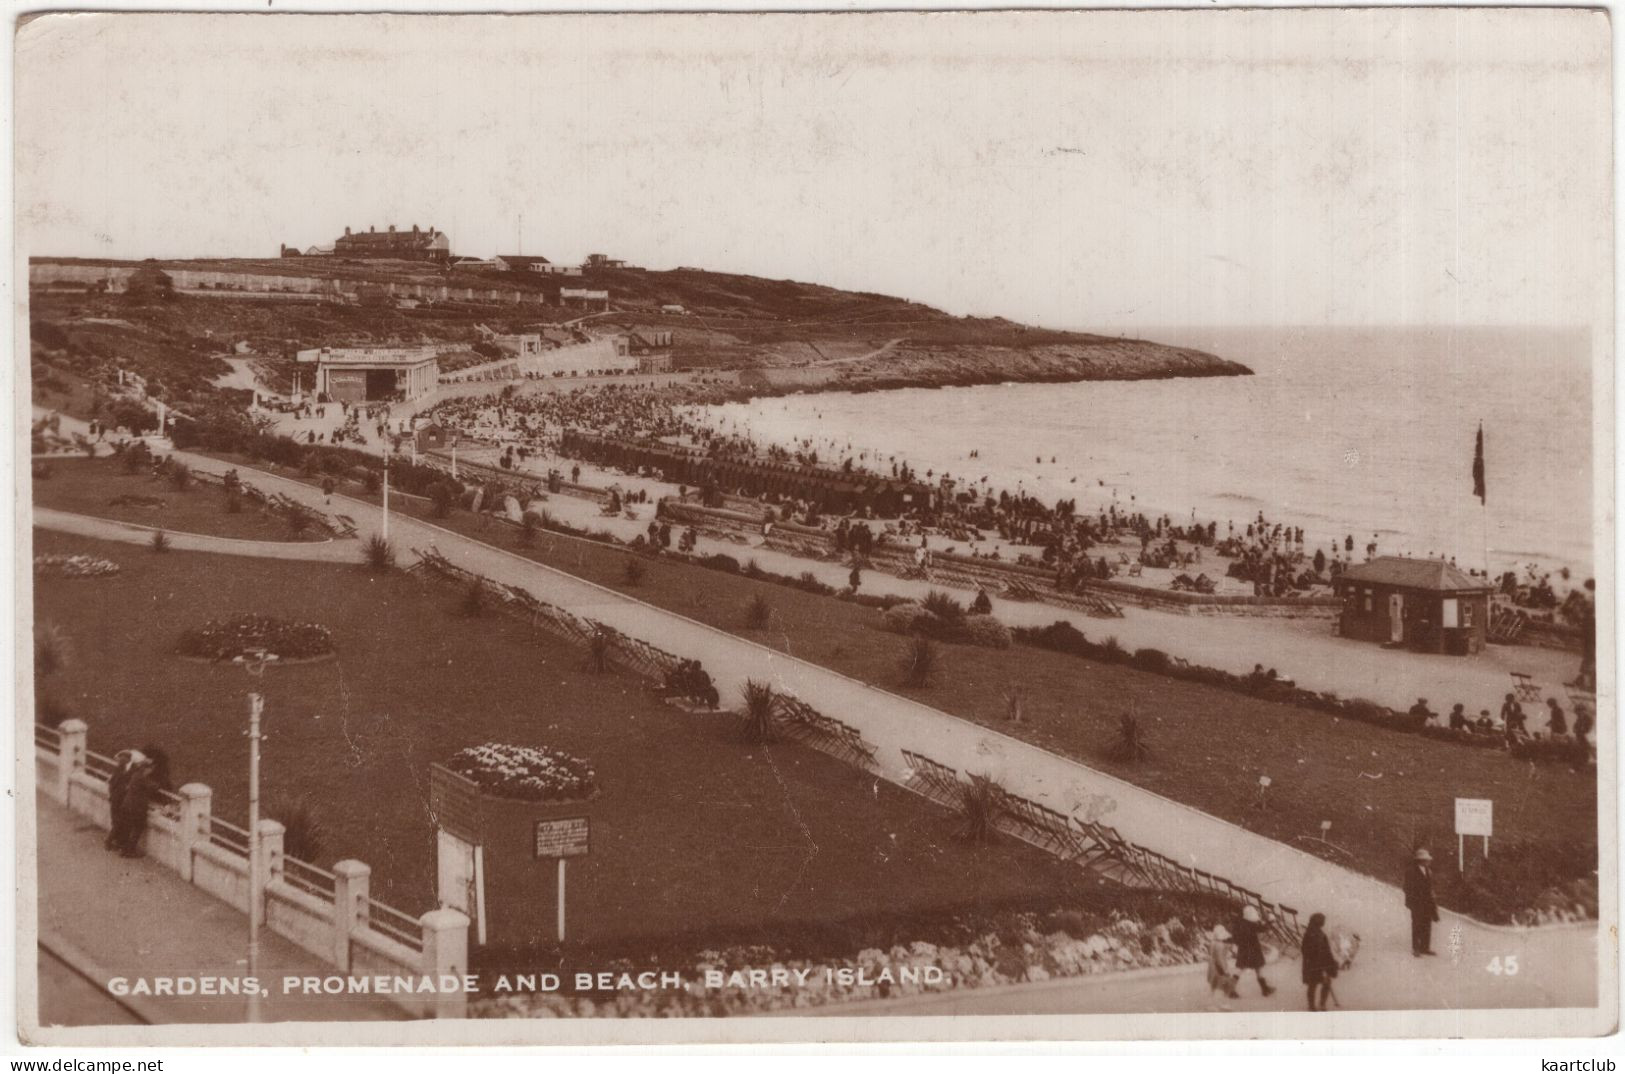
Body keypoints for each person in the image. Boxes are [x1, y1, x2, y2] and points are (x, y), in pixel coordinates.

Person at [1232, 904, 1275, 996]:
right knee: (1259, 968)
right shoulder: (1251, 924)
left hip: (1243, 949)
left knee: (1240, 968)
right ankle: (1265, 989)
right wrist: (1269, 922)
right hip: (1253, 949)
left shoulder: (1241, 923)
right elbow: (1262, 928)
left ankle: (1231, 989)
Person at [1300, 912, 1339, 1011]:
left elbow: (1324, 949)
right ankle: (1319, 1004)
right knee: (1319, 984)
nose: (1324, 923)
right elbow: (1306, 950)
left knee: (1314, 985)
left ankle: (1313, 1005)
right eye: (1323, 921)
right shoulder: (1314, 934)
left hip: (1314, 964)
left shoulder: (1314, 933)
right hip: (1315, 964)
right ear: (1319, 922)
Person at [1404, 848, 1439, 956]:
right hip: (1416, 903)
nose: (1428, 862)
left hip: (1427, 903)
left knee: (1427, 925)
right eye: (1426, 860)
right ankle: (1416, 949)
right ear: (1420, 860)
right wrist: (1414, 898)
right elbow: (1406, 887)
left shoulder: (1428, 871)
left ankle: (1425, 947)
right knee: (1417, 925)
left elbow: (1430, 887)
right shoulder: (1411, 871)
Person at [1206, 924, 1240, 1006]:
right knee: (1220, 986)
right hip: (1219, 967)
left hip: (1212, 966)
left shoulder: (1213, 943)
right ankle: (1218, 1003)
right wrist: (1225, 970)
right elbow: (1220, 959)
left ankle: (1214, 1003)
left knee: (1215, 986)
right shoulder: (1220, 945)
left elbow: (1213, 954)